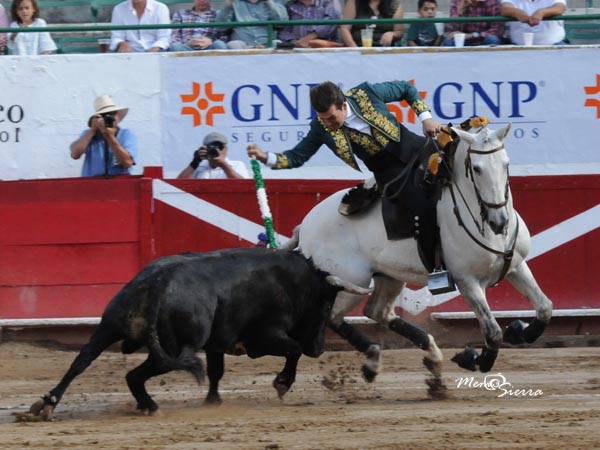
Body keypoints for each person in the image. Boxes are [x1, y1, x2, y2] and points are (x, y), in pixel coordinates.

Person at [247, 80, 442, 209]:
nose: (328, 123)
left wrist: (426, 119)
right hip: (389, 174)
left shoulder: (365, 94)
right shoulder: (319, 127)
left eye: (331, 117)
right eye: (323, 118)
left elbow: (406, 88)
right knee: (418, 208)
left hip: (415, 148)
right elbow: (297, 156)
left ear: (343, 105)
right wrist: (266, 157)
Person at [70, 95, 138, 178]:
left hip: (119, 185)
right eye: (105, 115)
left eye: (113, 113)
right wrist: (92, 130)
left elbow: (127, 162)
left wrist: (110, 137)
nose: (110, 118)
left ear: (118, 116)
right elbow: (75, 154)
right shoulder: (88, 134)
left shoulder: (126, 134)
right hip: (92, 186)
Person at [216, 0, 288, 49]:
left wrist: (269, 2)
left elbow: (281, 23)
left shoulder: (275, 1)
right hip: (243, 45)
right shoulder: (234, 1)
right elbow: (220, 27)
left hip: (267, 43)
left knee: (277, 44)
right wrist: (227, 6)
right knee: (233, 44)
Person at [177, 131, 249, 179]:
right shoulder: (199, 167)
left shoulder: (236, 165)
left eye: (219, 147)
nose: (216, 150)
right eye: (211, 147)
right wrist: (194, 162)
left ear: (225, 149)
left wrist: (223, 165)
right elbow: (178, 186)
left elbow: (244, 185)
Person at [278, 0, 342, 48]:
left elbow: (332, 20)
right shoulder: (290, 5)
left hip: (325, 49)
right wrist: (294, 42)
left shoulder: (327, 2)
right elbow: (284, 30)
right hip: (298, 50)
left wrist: (308, 38)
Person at [340, 0, 404, 47]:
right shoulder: (354, 2)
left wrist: (392, 34)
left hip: (384, 50)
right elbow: (345, 29)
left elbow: (399, 31)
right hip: (358, 47)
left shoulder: (394, 4)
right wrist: (355, 49)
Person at [500, 0, 566, 45]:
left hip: (555, 45)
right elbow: (505, 8)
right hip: (518, 47)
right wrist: (518, 13)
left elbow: (559, 8)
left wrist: (542, 12)